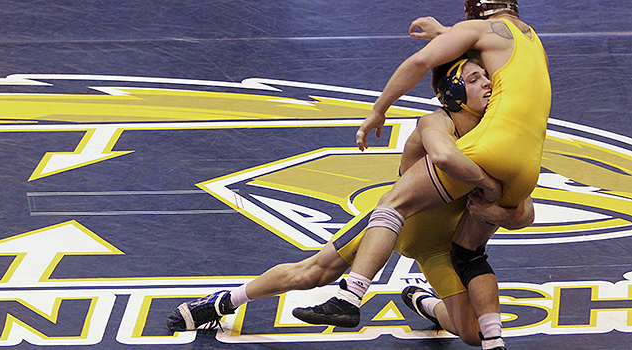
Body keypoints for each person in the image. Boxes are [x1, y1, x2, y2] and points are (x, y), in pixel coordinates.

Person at [166, 58, 534, 347]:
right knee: (313, 274)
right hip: (392, 224)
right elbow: (442, 156)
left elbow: (525, 214)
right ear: (453, 94)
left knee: (473, 334)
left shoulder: (497, 138)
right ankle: (225, 301)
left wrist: (499, 211)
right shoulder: (434, 123)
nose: (488, 83)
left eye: (487, 77)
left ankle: (425, 303)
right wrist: (487, 186)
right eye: (474, 80)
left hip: (440, 245)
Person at [292, 1, 550, 350]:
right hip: (529, 166)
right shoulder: (532, 43)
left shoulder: (473, 43)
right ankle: (491, 341)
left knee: (392, 202)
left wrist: (378, 111)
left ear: (476, 15)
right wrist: (447, 32)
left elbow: (420, 62)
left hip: (489, 151)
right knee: (471, 255)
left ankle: (349, 298)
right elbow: (485, 43)